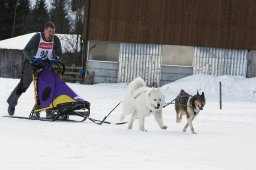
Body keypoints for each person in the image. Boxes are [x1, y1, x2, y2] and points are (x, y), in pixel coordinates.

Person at [7, 22, 62, 117]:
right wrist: (32, 60)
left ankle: (47, 109)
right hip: (31, 64)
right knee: (23, 85)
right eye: (49, 32)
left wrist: (56, 59)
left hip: (45, 65)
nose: (51, 34)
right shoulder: (37, 37)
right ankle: (12, 103)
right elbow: (26, 50)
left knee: (48, 86)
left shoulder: (55, 40)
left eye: (53, 32)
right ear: (44, 31)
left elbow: (60, 54)